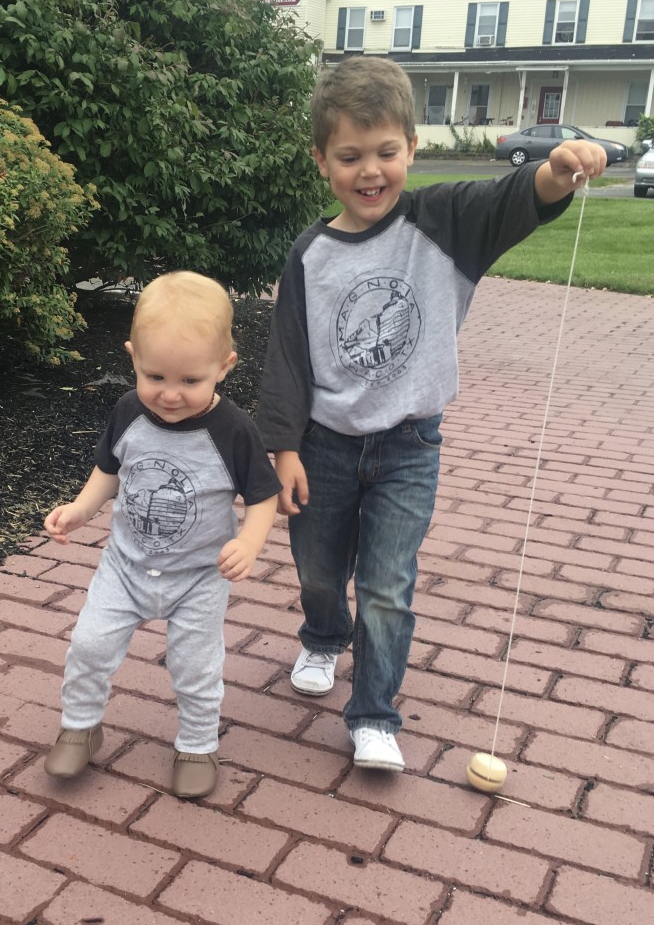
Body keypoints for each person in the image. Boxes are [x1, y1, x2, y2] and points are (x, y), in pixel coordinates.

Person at [257, 56, 606, 773]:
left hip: (409, 447)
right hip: (323, 444)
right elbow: (288, 353)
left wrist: (560, 167)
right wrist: (283, 448)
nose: (370, 171)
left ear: (411, 149)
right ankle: (323, 637)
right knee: (319, 571)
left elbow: (518, 196)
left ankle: (374, 714)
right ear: (321, 160)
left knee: (387, 584)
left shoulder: (446, 220)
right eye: (349, 156)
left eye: (386, 152)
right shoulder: (309, 254)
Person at [43, 271, 280, 798]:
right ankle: (80, 727)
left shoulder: (233, 430)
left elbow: (263, 496)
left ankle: (197, 744)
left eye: (191, 381)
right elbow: (109, 469)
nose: (170, 395)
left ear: (224, 367)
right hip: (125, 565)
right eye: (155, 377)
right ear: (132, 358)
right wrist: (81, 510)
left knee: (195, 665)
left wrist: (249, 541)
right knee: (89, 645)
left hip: (198, 576)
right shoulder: (129, 410)